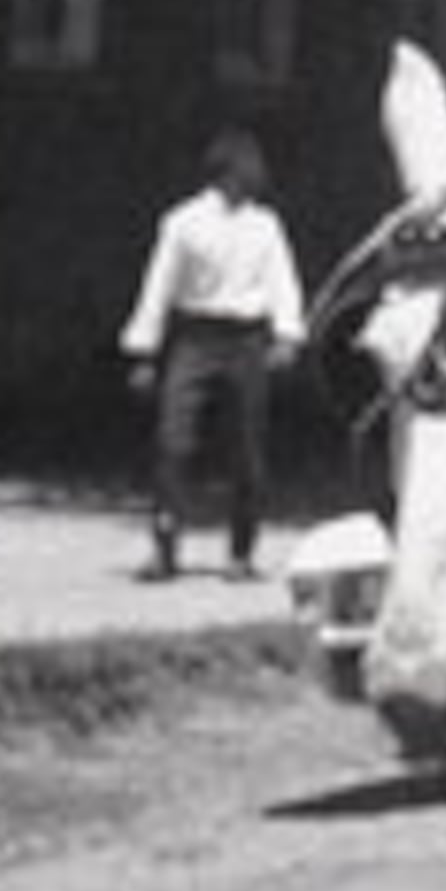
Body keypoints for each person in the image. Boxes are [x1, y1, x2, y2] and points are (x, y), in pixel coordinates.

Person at [119, 125, 308, 581]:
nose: (255, 178)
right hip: (196, 336)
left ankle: (241, 552)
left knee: (247, 448)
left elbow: (282, 281)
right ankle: (165, 545)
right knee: (174, 440)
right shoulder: (183, 223)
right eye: (247, 170)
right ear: (226, 172)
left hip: (245, 338)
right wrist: (143, 351)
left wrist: (286, 335)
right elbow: (159, 286)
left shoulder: (265, 225)